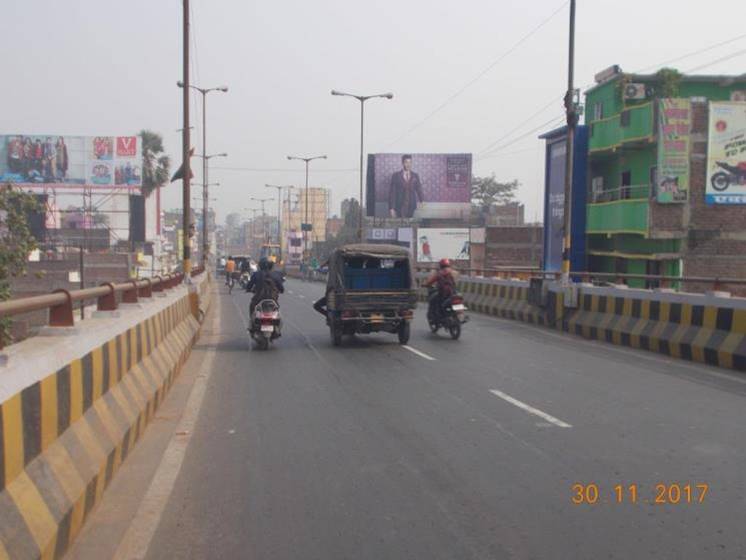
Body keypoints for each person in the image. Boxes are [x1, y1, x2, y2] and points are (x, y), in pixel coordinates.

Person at [246, 258, 285, 324]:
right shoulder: (276, 274)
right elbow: (281, 288)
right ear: (271, 266)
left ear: (260, 265)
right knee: (277, 309)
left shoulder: (256, 274)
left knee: (252, 306)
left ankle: (252, 323)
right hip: (273, 299)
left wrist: (248, 289)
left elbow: (249, 285)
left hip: (258, 299)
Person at [388, 154, 424, 218]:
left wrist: (422, 200)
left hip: (411, 205)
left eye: (410, 162)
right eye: (406, 162)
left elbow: (419, 189)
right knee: (400, 225)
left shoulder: (415, 175)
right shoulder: (396, 176)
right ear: (402, 163)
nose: (408, 164)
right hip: (399, 205)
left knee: (409, 225)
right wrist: (391, 208)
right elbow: (392, 193)